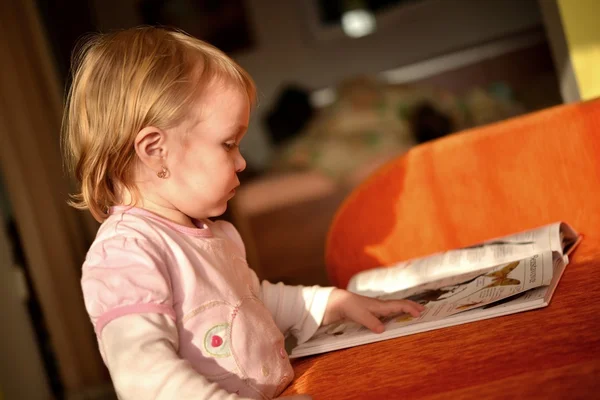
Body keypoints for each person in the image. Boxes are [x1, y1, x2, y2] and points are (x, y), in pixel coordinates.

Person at [61, 26, 424, 399]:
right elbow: (146, 380)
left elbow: (252, 304)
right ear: (156, 150)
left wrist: (332, 302)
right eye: (228, 144)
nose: (242, 162)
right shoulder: (126, 252)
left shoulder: (213, 234)